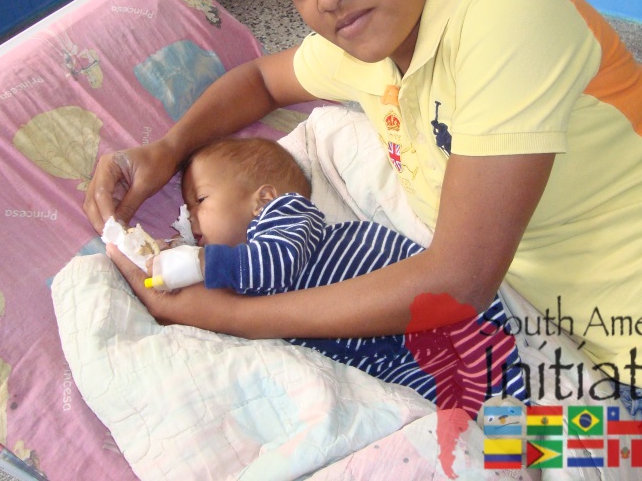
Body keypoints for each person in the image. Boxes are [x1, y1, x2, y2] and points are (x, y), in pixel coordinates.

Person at [86, 0, 642, 477]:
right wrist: (166, 150)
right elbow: (260, 80)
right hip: (591, 351)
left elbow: (457, 279)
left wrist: (233, 314)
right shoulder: (367, 52)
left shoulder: (504, 13)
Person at [146, 135, 527, 417]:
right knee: (452, 417)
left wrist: (200, 263)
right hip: (389, 358)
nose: (190, 217)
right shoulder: (243, 273)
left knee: (499, 391)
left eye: (200, 200)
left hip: (438, 323)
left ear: (263, 197)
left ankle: (550, 448)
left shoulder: (286, 216)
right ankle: (521, 460)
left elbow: (274, 264)